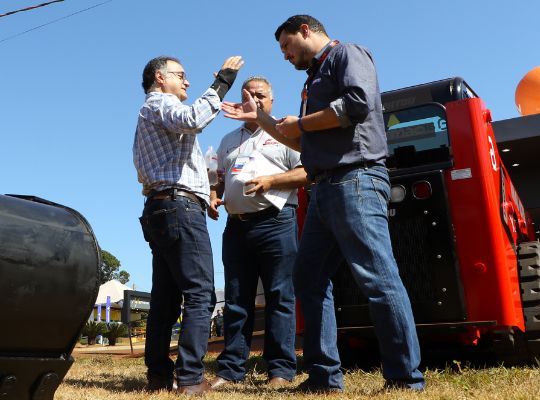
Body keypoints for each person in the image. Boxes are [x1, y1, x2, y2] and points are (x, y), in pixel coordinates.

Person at [221, 15, 425, 392]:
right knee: (308, 278)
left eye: (286, 46)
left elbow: (357, 104)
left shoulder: (347, 54)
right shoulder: (311, 79)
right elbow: (303, 144)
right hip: (323, 188)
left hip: (357, 179)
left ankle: (404, 378)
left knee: (377, 277)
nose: (284, 55)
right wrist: (261, 118)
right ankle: (323, 377)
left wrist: (299, 124)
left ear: (305, 31)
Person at [134, 54, 244, 396]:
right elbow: (194, 118)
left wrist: (206, 189)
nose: (187, 82)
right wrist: (222, 82)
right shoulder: (159, 103)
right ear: (158, 77)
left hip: (163, 208)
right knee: (199, 295)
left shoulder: (151, 113)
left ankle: (159, 378)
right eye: (180, 75)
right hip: (178, 207)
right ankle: (191, 379)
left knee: (166, 299)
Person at [207, 76, 306, 389]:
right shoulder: (227, 140)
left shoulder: (284, 130)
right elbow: (220, 177)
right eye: (247, 94)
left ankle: (280, 370)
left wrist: (272, 181)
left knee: (279, 296)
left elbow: (308, 171)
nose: (254, 100)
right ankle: (231, 369)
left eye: (260, 95)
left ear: (272, 99)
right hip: (237, 226)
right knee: (236, 299)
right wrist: (214, 195)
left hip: (276, 222)